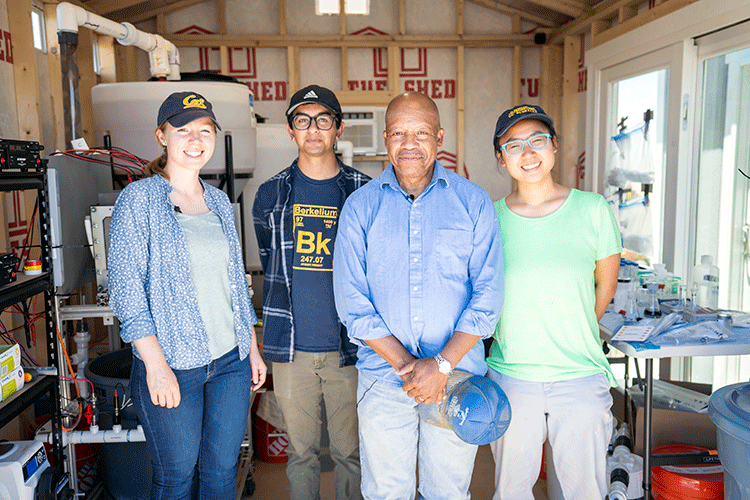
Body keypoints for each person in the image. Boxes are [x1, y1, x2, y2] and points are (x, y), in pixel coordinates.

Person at [332, 91, 503, 500]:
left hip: (457, 376)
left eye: (421, 132)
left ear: (439, 138)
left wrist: (441, 366)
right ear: (386, 140)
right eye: (399, 133)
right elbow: (351, 301)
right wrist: (413, 368)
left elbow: (488, 297)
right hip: (384, 378)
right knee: (386, 492)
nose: (409, 143)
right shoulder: (360, 207)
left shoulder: (473, 203)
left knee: (447, 491)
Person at [108, 91, 267, 500]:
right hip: (174, 363)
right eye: (183, 130)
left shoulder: (216, 200)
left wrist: (251, 347)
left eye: (204, 130)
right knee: (176, 477)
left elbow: (235, 282)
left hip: (230, 362)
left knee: (220, 472)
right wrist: (156, 366)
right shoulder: (138, 200)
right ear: (162, 136)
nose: (195, 140)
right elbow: (127, 293)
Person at [486, 104, 621, 500]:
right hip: (511, 377)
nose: (527, 154)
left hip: (579, 375)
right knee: (511, 492)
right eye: (513, 145)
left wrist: (570, 326)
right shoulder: (489, 219)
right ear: (501, 157)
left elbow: (605, 288)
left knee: (584, 491)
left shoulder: (593, 209)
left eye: (537, 141)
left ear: (555, 146)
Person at [252, 84, 370, 500]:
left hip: (352, 347)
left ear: (337, 129)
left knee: (351, 453)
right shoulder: (271, 194)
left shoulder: (366, 190)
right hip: (291, 350)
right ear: (291, 130)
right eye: (303, 120)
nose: (313, 129)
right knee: (300, 455)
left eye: (323, 120)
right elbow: (272, 263)